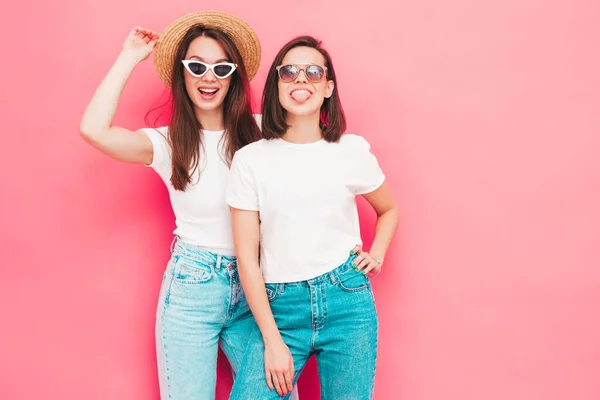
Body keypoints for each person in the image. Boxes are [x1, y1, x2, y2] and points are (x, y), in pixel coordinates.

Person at [80, 11, 298, 400]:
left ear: (234, 76)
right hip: (192, 286)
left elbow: (323, 150)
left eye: (221, 67)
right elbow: (93, 130)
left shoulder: (265, 132)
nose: (208, 77)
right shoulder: (166, 143)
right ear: (182, 74)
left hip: (257, 289)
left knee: (281, 391)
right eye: (196, 66)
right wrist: (129, 57)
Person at [227, 35, 399, 399]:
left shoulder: (350, 151)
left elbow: (389, 209)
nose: (300, 79)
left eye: (312, 72)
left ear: (327, 87)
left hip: (347, 301)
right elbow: (247, 258)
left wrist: (377, 254)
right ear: (277, 84)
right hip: (280, 309)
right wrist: (273, 343)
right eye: (289, 72)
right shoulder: (251, 160)